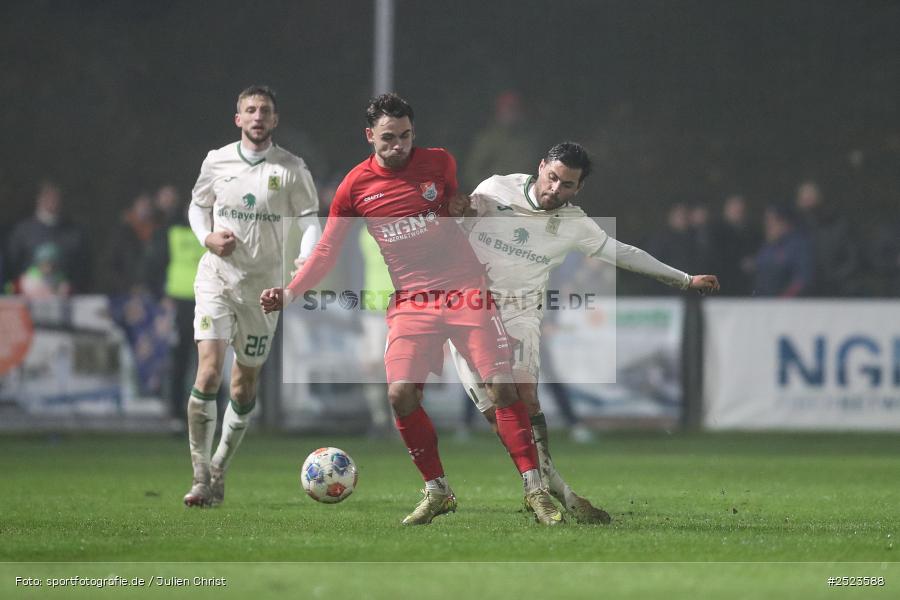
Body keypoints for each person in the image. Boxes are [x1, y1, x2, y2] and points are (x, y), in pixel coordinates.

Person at [260, 93, 562, 526]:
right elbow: (327, 248)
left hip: (464, 291)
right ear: (370, 137)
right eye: (388, 138)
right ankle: (437, 490)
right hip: (412, 303)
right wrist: (289, 293)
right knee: (399, 394)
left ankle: (536, 492)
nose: (398, 144)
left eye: (404, 135)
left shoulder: (439, 163)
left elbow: (453, 205)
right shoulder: (354, 187)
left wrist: (458, 208)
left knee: (503, 387)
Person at [448, 142, 720, 523]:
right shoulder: (495, 188)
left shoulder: (574, 223)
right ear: (541, 167)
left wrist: (684, 279)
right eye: (552, 178)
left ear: (578, 189)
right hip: (470, 312)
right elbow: (453, 224)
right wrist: (454, 211)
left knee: (523, 399)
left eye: (567, 185)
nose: (555, 190)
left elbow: (623, 253)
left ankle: (537, 492)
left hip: (520, 315)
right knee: (499, 418)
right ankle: (560, 492)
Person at [182, 85, 320, 507]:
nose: (258, 116)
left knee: (243, 386)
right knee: (208, 373)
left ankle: (221, 464)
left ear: (274, 120)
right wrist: (206, 236)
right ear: (238, 118)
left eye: (265, 110)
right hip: (217, 282)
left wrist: (304, 260)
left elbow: (311, 219)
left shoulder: (291, 169)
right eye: (250, 110)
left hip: (264, 293)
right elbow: (196, 205)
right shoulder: (216, 161)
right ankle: (200, 474)